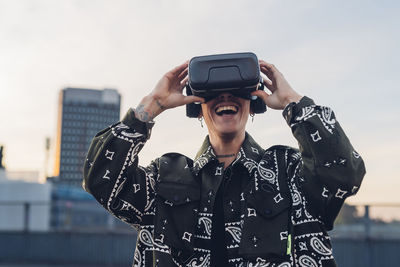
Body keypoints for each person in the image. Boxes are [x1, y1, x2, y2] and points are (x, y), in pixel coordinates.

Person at [83, 59, 365, 267]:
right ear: (197, 107)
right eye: (214, 92)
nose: (226, 97)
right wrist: (150, 106)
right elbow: (101, 182)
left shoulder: (289, 173)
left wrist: (294, 102)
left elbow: (344, 173)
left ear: (253, 102)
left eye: (237, 91)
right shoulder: (163, 178)